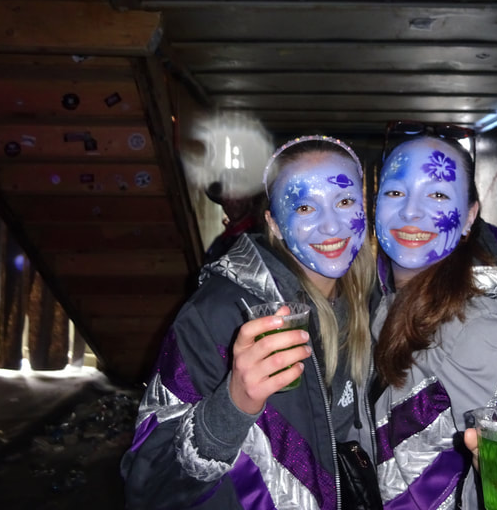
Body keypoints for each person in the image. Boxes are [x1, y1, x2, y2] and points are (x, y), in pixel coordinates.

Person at [120, 135, 376, 509]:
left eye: (345, 202)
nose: (331, 226)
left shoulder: (371, 300)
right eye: (305, 207)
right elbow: (149, 485)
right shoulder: (221, 313)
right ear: (274, 223)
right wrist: (233, 403)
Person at [371, 128, 497, 510]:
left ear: (469, 217)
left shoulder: (483, 335)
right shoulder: (383, 306)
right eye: (395, 192)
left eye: (437, 195)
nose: (411, 211)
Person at [202, 180, 266, 264]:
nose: (231, 202)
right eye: (226, 197)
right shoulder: (221, 241)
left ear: (248, 198)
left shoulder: (260, 235)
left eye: (236, 195)